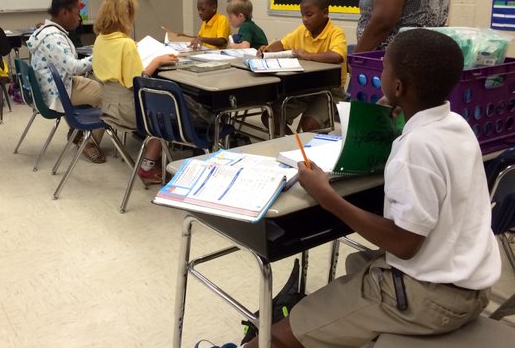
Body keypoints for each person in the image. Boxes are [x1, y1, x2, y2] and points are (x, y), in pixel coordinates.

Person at [211, 29, 501, 348]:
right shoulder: (456, 125)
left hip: (430, 298)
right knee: (356, 268)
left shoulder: (416, 148)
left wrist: (326, 196)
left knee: (279, 336)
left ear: (398, 85)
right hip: (472, 287)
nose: (382, 75)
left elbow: (405, 243)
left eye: (385, 70)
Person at [91, 0, 179, 183]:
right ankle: (148, 166)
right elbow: (138, 83)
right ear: (127, 14)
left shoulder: (99, 40)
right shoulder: (126, 45)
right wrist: (157, 61)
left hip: (109, 108)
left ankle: (153, 159)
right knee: (166, 115)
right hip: (129, 111)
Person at [26, 0, 106, 164]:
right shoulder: (53, 37)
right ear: (63, 13)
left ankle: (78, 132)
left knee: (96, 84)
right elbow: (74, 67)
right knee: (107, 96)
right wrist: (100, 53)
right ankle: (87, 141)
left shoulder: (46, 32)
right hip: (58, 91)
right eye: (77, 13)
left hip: (56, 85)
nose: (80, 18)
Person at [258, 0, 346, 132]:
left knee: (309, 125)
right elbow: (282, 43)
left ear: (325, 12)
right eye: (302, 15)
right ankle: (293, 144)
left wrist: (308, 55)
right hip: (305, 87)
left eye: (309, 15)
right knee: (269, 116)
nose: (305, 19)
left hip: (329, 90)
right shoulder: (302, 31)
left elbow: (337, 56)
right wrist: (267, 50)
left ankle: (307, 148)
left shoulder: (335, 32)